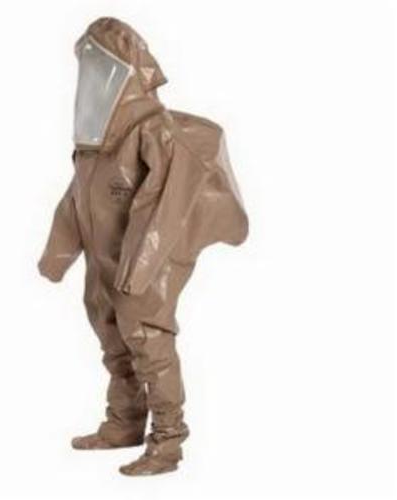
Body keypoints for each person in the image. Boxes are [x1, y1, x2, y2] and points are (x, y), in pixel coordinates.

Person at [38, 17, 248, 476]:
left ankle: (168, 442)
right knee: (112, 338)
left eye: (102, 66)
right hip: (105, 262)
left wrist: (140, 267)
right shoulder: (95, 145)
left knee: (148, 341)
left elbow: (165, 205)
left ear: (127, 70)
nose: (92, 77)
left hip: (146, 263)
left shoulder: (154, 133)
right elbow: (77, 199)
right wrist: (57, 254)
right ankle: (125, 422)